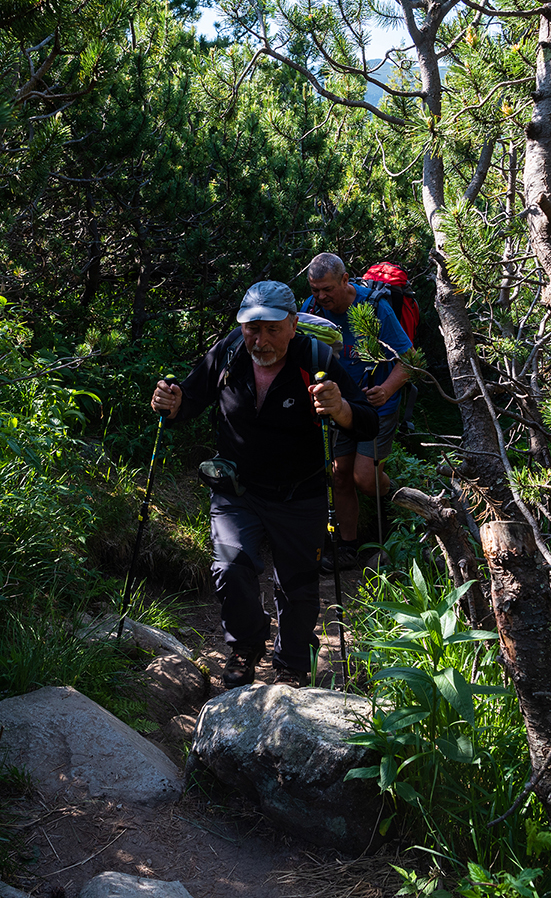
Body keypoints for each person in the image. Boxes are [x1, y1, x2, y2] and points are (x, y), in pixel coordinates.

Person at [151, 281, 378, 688]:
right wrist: (171, 403)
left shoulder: (316, 357)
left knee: (298, 586)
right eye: (252, 328)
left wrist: (340, 408)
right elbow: (190, 400)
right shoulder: (229, 352)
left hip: (300, 493)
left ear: (293, 324)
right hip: (237, 490)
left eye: (272, 328)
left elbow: (366, 420)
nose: (261, 339)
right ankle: (246, 645)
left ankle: (292, 662)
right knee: (230, 567)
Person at [302, 253, 414, 569]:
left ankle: (406, 514)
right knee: (339, 477)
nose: (321, 297)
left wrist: (387, 389)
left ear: (345, 280)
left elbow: (409, 358)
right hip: (337, 407)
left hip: (377, 405)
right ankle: (348, 547)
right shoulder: (312, 310)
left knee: (364, 478)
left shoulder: (375, 307)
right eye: (315, 290)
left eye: (327, 289)